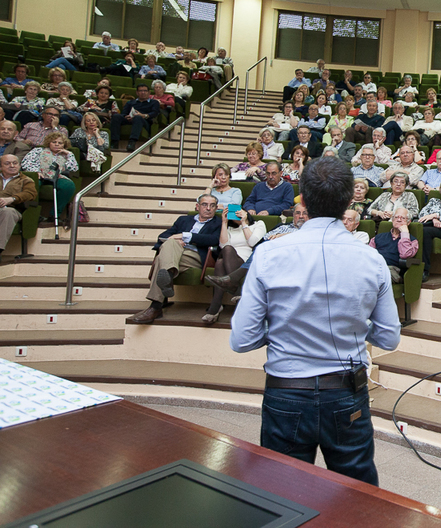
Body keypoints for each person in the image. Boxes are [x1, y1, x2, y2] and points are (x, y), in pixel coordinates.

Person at [230, 157, 400, 485]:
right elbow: (389, 338)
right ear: (350, 199)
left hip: (286, 393)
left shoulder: (268, 254)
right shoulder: (373, 260)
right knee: (358, 496)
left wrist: (280, 329)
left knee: (282, 495)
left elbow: (242, 339)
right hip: (346, 394)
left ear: (302, 200)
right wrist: (354, 325)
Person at [130, 194, 222, 324]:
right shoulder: (183, 220)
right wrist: (175, 241)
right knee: (169, 245)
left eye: (212, 206)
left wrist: (185, 236)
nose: (208, 208)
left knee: (164, 256)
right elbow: (163, 236)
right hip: (175, 254)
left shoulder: (218, 222)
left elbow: (214, 240)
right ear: (197, 206)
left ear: (216, 208)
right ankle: (166, 275)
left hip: (196, 256)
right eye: (204, 205)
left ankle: (156, 306)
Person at [202, 207, 267, 325]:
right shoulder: (230, 229)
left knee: (220, 263)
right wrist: (224, 222)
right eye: (233, 213)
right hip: (229, 256)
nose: (236, 214)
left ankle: (215, 307)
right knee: (227, 250)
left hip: (245, 261)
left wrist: (244, 223)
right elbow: (223, 245)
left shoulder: (258, 224)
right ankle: (236, 292)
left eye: (238, 212)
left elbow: (253, 242)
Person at [0, 154, 37, 258]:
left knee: (8, 212)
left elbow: (30, 194)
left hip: (13, 210)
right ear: (1, 167)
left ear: (20, 166)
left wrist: (11, 199)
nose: (12, 165)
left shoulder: (26, 180)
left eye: (15, 163)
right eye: (7, 163)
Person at [370, 207, 419, 282]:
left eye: (403, 218)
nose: (399, 220)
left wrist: (404, 234)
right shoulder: (378, 237)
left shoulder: (413, 241)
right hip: (376, 268)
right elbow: (369, 254)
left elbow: (405, 255)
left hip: (394, 271)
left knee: (380, 274)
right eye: (396, 217)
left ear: (408, 222)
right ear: (392, 220)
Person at [110, 84, 161, 151]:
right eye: (140, 91)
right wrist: (126, 116)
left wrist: (143, 115)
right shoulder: (130, 102)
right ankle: (114, 142)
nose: (143, 92)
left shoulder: (154, 102)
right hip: (130, 119)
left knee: (138, 117)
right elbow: (124, 113)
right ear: (137, 92)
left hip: (144, 121)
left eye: (145, 91)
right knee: (116, 116)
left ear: (149, 92)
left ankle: (132, 142)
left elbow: (154, 113)